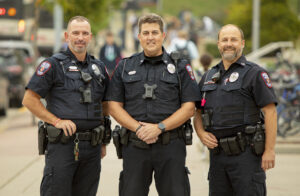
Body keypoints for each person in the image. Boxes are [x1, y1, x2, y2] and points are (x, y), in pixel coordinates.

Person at [107, 13, 201, 196]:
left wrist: (159, 128)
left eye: (155, 32)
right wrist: (138, 128)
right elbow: (113, 106)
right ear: (139, 36)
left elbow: (189, 107)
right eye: (146, 33)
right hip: (135, 146)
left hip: (171, 146)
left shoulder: (181, 67)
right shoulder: (125, 66)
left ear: (163, 35)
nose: (151, 37)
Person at [22, 16, 110, 196]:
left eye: (85, 33)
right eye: (75, 33)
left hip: (92, 148)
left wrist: (103, 141)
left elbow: (105, 105)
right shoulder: (53, 65)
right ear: (66, 36)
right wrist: (56, 121)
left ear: (90, 37)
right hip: (63, 146)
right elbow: (29, 100)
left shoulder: (99, 68)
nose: (80, 37)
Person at [193, 24, 277, 196]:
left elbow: (270, 112)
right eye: (224, 40)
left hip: (247, 156)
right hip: (217, 158)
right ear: (218, 44)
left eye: (233, 39)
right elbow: (198, 112)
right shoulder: (209, 77)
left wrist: (269, 150)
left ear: (242, 43)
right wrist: (201, 133)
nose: (229, 43)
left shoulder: (255, 74)